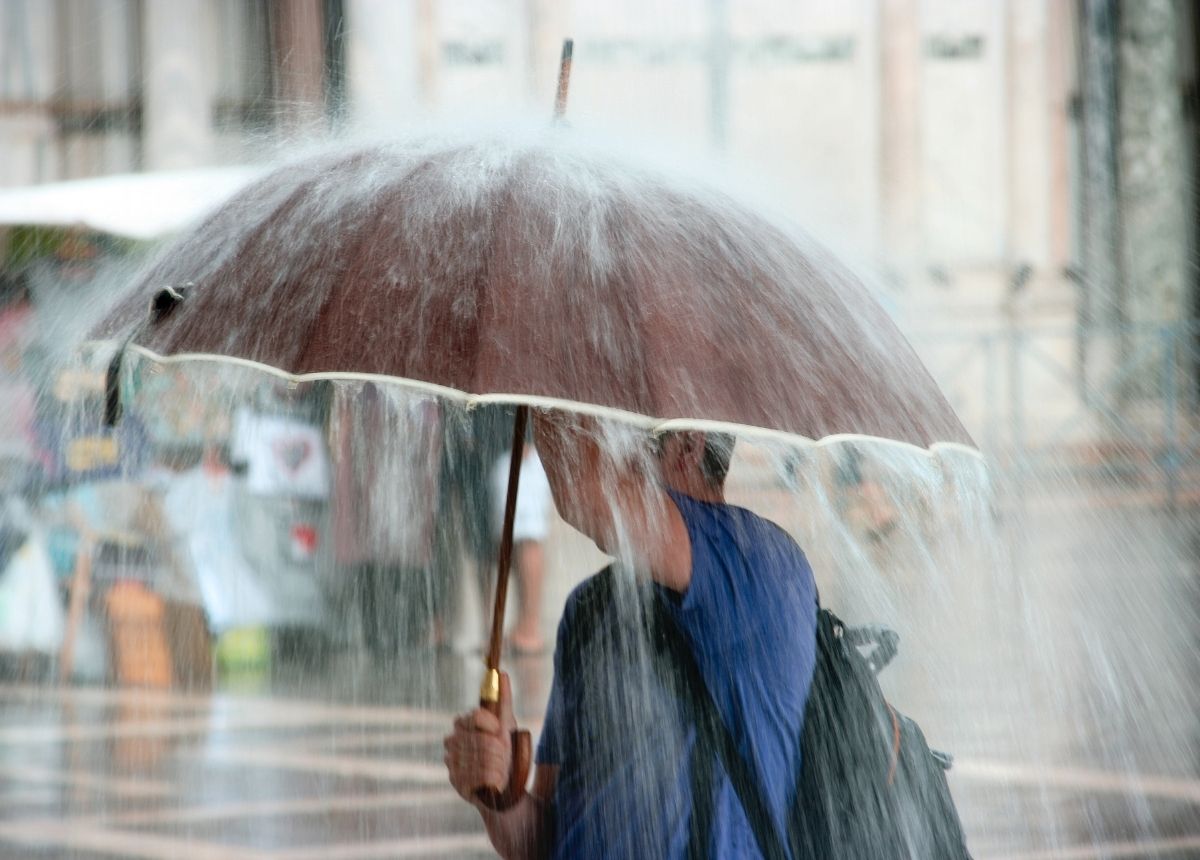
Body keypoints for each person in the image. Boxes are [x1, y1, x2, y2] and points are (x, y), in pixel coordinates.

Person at [444, 414, 819, 858]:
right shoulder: (591, 606)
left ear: (688, 445)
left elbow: (582, 491)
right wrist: (503, 797)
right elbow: (545, 842)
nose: (606, 449)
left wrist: (537, 378)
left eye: (619, 433)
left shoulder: (762, 562)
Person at [489, 440, 553, 655]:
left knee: (527, 535)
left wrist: (526, 436)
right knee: (515, 538)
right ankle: (523, 627)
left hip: (519, 444)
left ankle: (529, 629)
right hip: (497, 445)